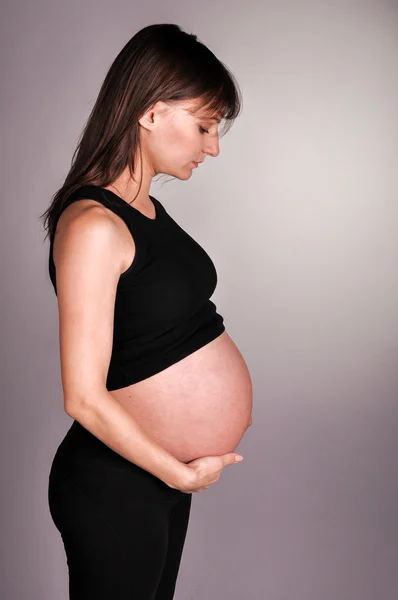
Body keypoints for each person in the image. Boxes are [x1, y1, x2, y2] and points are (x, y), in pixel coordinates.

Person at [41, 23, 253, 600]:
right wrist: (176, 471)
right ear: (152, 113)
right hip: (117, 482)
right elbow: (82, 395)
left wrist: (176, 473)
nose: (213, 147)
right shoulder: (93, 225)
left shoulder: (146, 209)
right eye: (204, 126)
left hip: (157, 475)